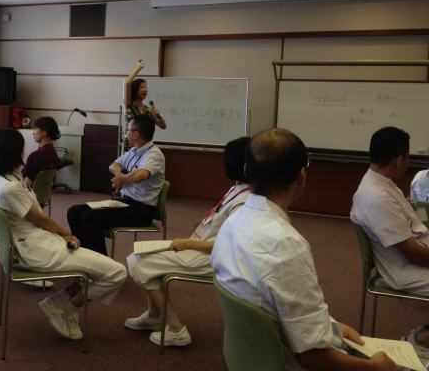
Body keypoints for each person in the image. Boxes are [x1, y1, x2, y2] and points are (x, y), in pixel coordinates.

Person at [211, 128, 396, 371]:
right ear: (301, 177)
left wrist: (330, 327)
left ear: (246, 171)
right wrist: (374, 368)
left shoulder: (232, 223)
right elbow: (312, 357)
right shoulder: (286, 244)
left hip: (250, 359)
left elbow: (267, 304)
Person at [0, 128, 127, 340]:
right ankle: (66, 309)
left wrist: (62, 236)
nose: (24, 152)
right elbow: (41, 219)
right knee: (117, 273)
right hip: (36, 249)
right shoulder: (9, 188)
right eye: (22, 148)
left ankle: (58, 302)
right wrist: (66, 235)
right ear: (14, 153)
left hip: (33, 242)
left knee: (98, 270)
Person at [125, 136, 250, 347]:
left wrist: (188, 244)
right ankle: (155, 316)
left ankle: (176, 329)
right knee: (142, 256)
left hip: (214, 258)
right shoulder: (238, 190)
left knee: (139, 262)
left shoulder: (245, 201)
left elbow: (230, 247)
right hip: (202, 248)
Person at [351, 126, 429, 353]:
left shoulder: (381, 184)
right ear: (400, 160)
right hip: (404, 270)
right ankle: (421, 341)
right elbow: (411, 252)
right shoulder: (377, 196)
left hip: (412, 259)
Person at [68, 114, 165, 256]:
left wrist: (123, 178)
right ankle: (84, 256)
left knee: (90, 217)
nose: (126, 133)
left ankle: (101, 263)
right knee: (74, 212)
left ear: (136, 134)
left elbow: (141, 175)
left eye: (128, 130)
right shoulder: (134, 151)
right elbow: (113, 165)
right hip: (125, 203)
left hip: (141, 211)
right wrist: (121, 174)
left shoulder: (154, 155)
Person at [123, 60, 166, 151]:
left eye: (146, 87)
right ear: (135, 90)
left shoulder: (147, 110)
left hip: (144, 147)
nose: (145, 89)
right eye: (142, 87)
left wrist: (159, 116)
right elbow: (127, 83)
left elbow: (163, 126)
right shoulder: (130, 105)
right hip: (130, 147)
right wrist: (138, 68)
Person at [22, 116, 60, 188]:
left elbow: (26, 185)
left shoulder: (36, 155)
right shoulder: (52, 152)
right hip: (43, 194)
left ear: (45, 131)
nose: (33, 133)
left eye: (36, 129)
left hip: (30, 194)